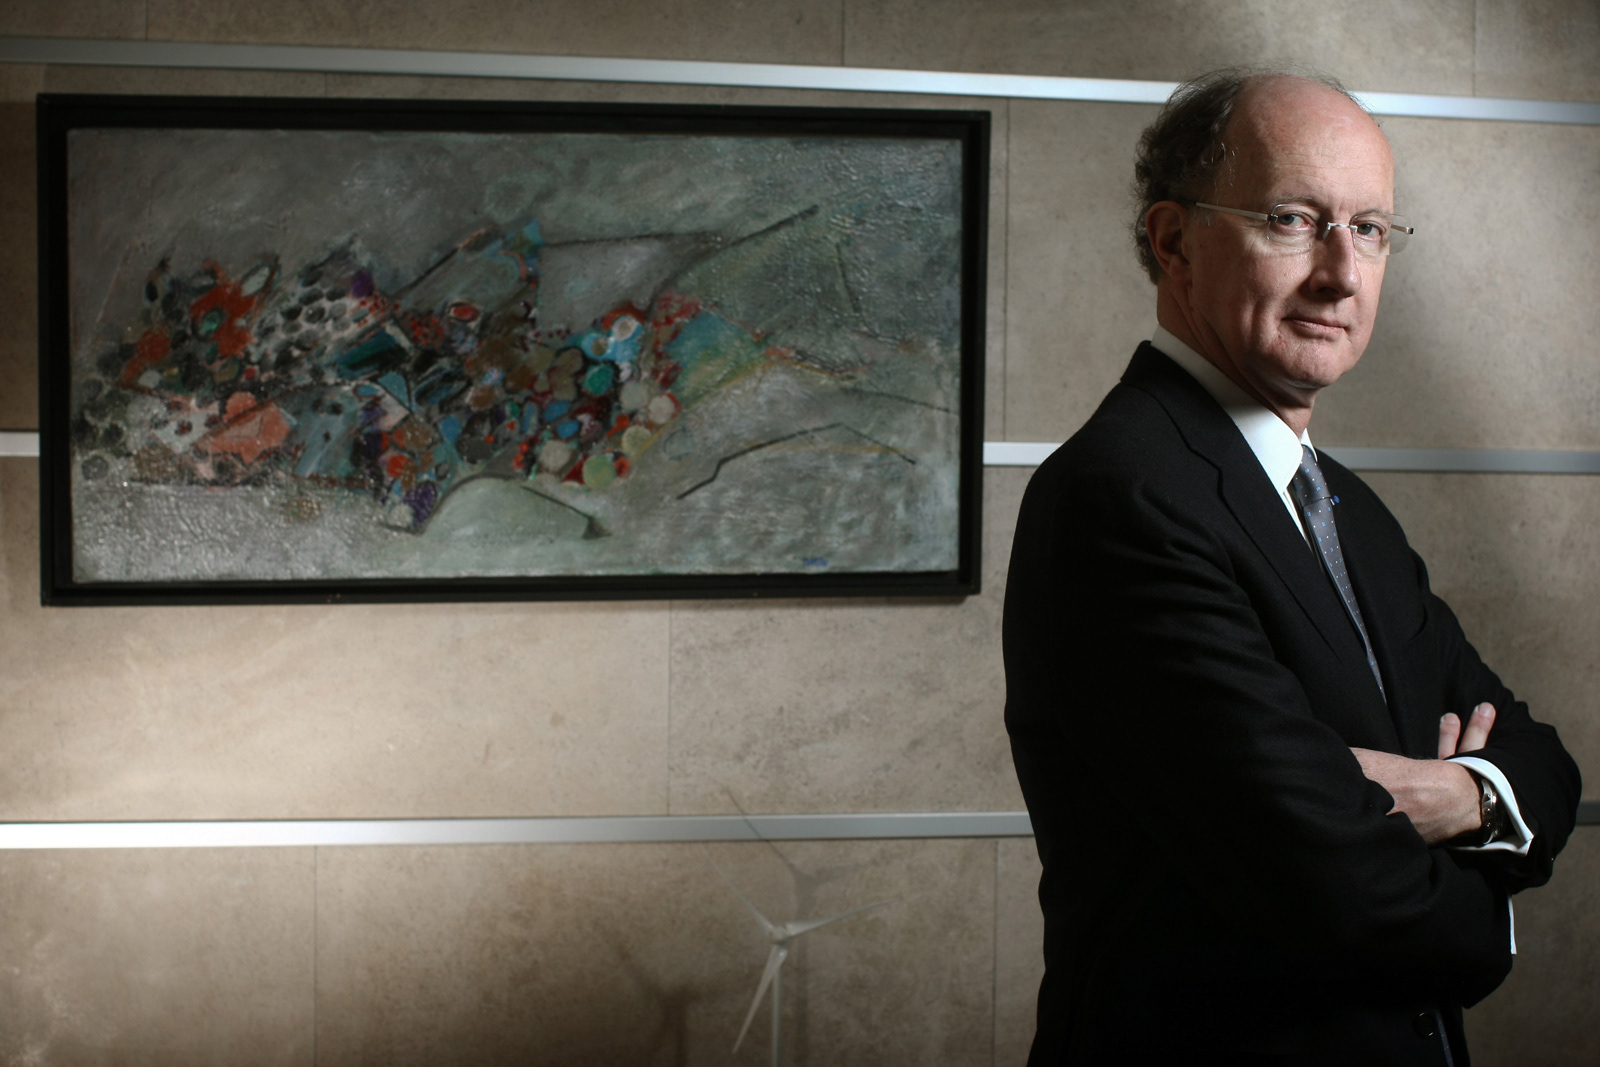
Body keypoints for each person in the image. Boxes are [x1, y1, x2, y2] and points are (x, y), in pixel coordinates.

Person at [1003, 69, 1582, 1065]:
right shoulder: (1120, 497)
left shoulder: (1346, 508)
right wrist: (1490, 917)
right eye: (1292, 220)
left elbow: (1544, 762)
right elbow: (1325, 881)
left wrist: (1466, 793)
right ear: (1174, 241)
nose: (1342, 273)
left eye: (1369, 228)